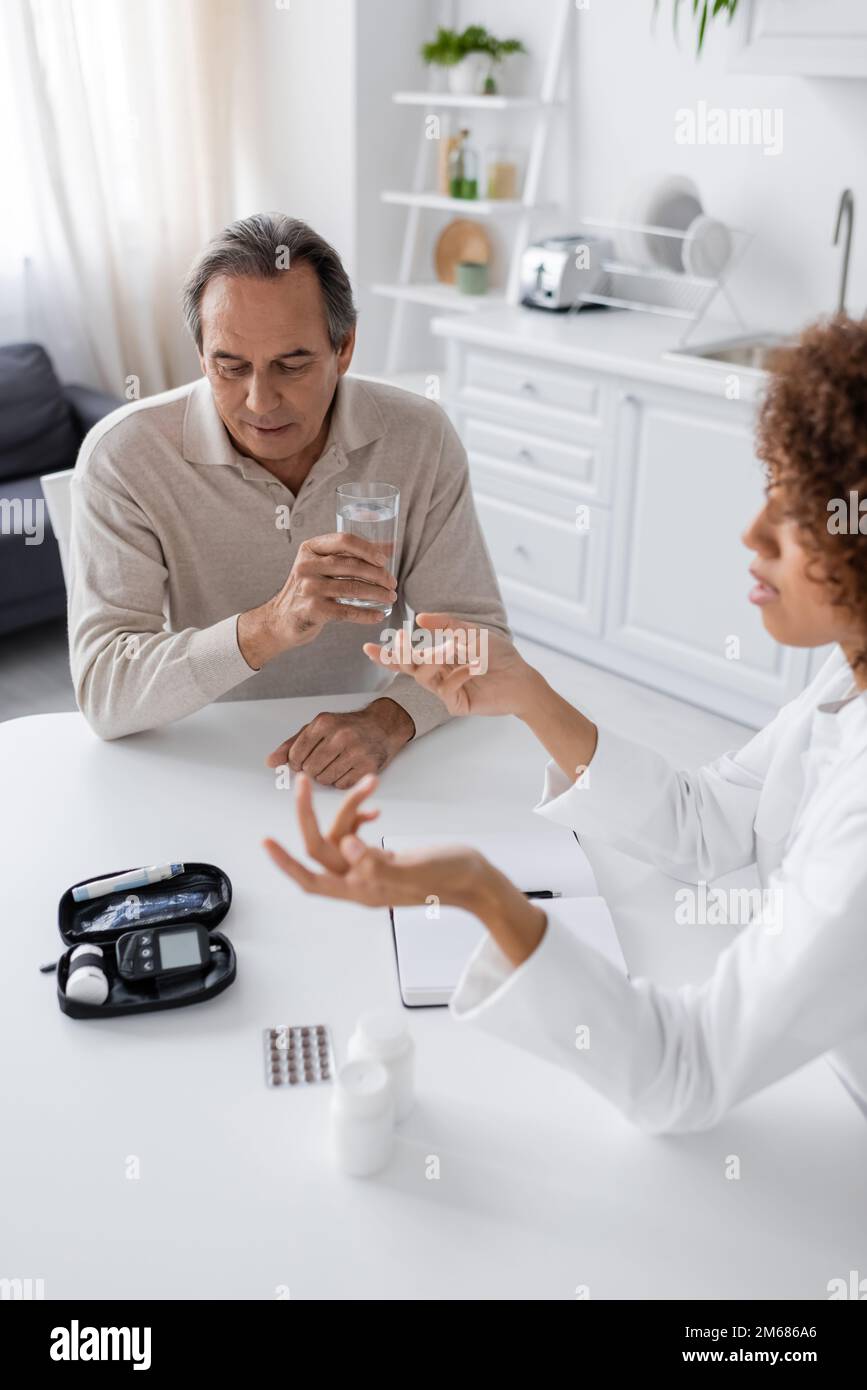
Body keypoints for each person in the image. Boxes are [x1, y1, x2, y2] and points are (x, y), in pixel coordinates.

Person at [263, 315, 867, 1134]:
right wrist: (527, 695)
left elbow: (680, 1075)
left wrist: (481, 892)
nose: (751, 533)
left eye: (795, 511)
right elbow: (711, 821)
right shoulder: (847, 673)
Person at [68, 213, 508, 785]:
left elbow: (476, 635)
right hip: (193, 756)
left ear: (344, 347)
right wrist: (269, 625)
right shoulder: (123, 456)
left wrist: (389, 718)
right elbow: (106, 692)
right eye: (230, 367)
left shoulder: (419, 436)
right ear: (202, 356)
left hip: (368, 755)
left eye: (292, 365)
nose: (259, 402)